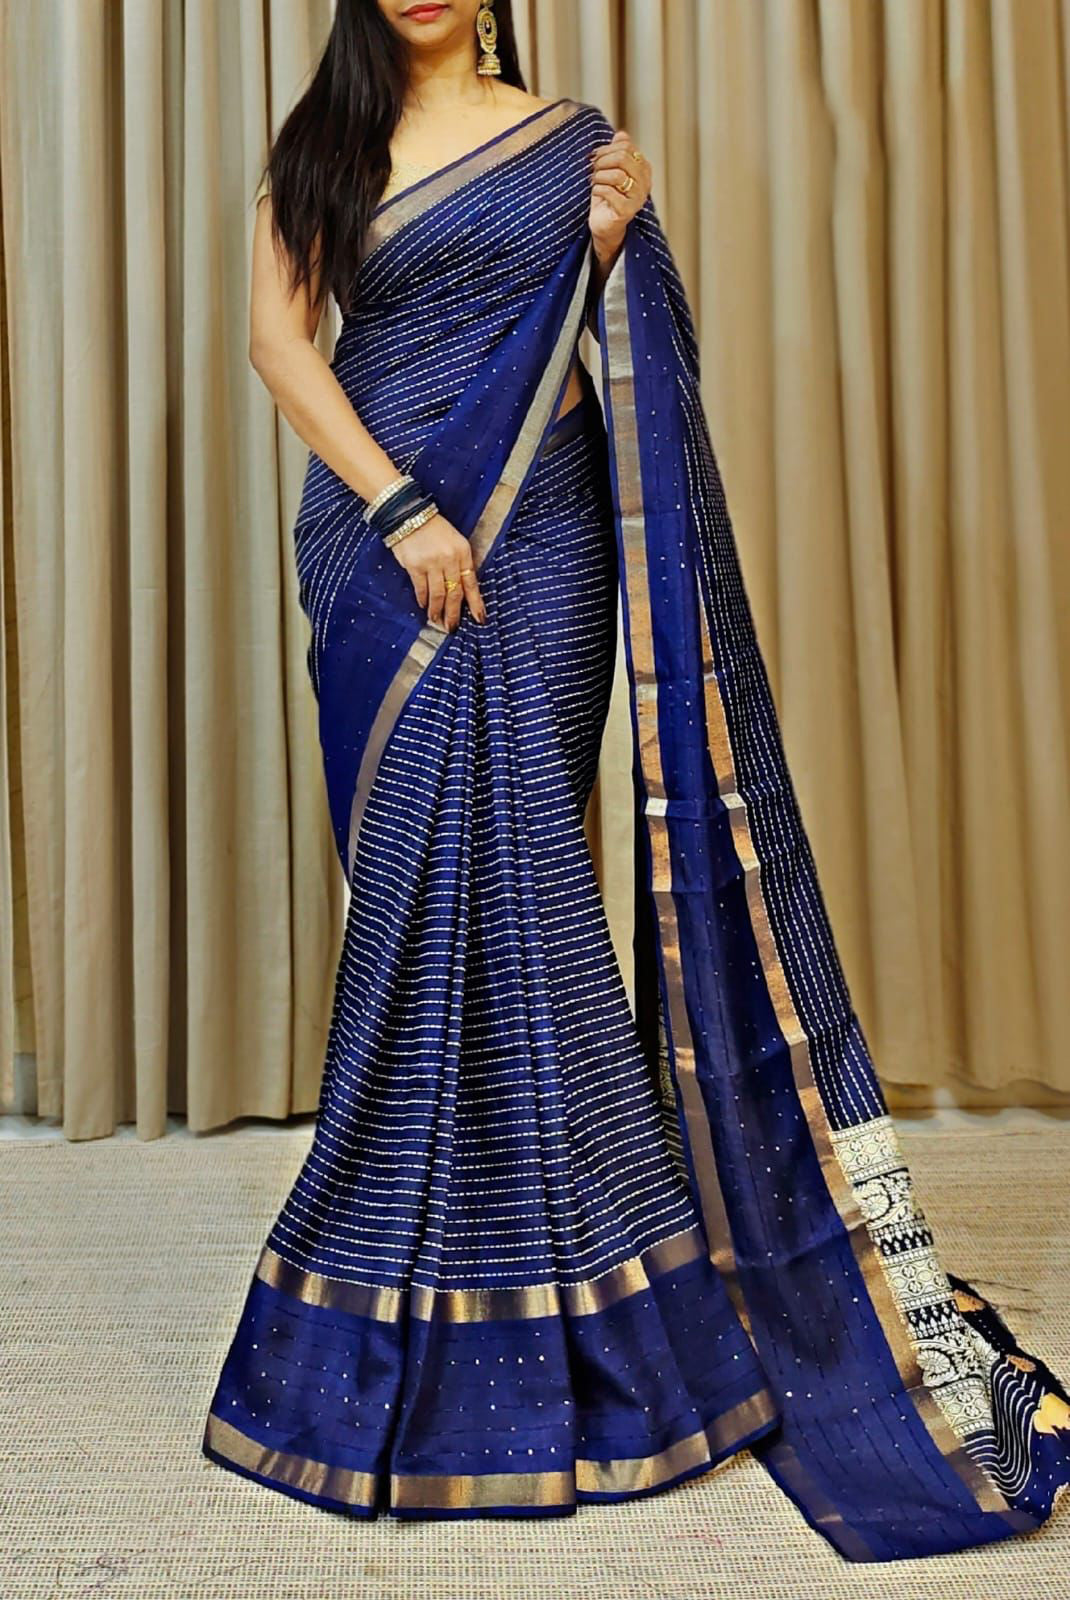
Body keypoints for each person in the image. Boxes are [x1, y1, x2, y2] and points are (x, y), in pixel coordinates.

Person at [201, 0, 1070, 1560]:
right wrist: (398, 507)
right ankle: (401, 1278)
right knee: (414, 907)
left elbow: (617, 353)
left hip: (540, 537)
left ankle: (603, 1300)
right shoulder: (323, 144)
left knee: (533, 889)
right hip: (384, 545)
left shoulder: (569, 143)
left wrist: (608, 242)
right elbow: (279, 344)